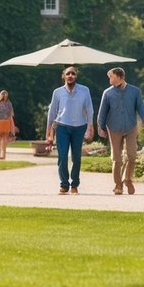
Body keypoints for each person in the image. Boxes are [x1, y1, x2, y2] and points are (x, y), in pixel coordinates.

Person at [97, 67, 144, 196]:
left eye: (111, 76)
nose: (109, 79)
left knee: (132, 156)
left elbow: (141, 108)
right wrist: (101, 127)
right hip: (114, 128)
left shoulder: (135, 91)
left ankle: (127, 179)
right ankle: (118, 184)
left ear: (119, 77)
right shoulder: (107, 93)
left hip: (130, 127)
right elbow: (102, 112)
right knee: (116, 158)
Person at [46, 66, 93, 195]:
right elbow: (52, 113)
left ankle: (75, 185)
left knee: (76, 157)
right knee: (62, 157)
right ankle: (64, 184)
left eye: (73, 73)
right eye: (68, 73)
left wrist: (90, 126)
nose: (70, 75)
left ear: (76, 76)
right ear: (64, 76)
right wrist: (49, 133)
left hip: (79, 127)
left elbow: (89, 109)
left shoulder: (84, 90)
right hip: (61, 126)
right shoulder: (58, 92)